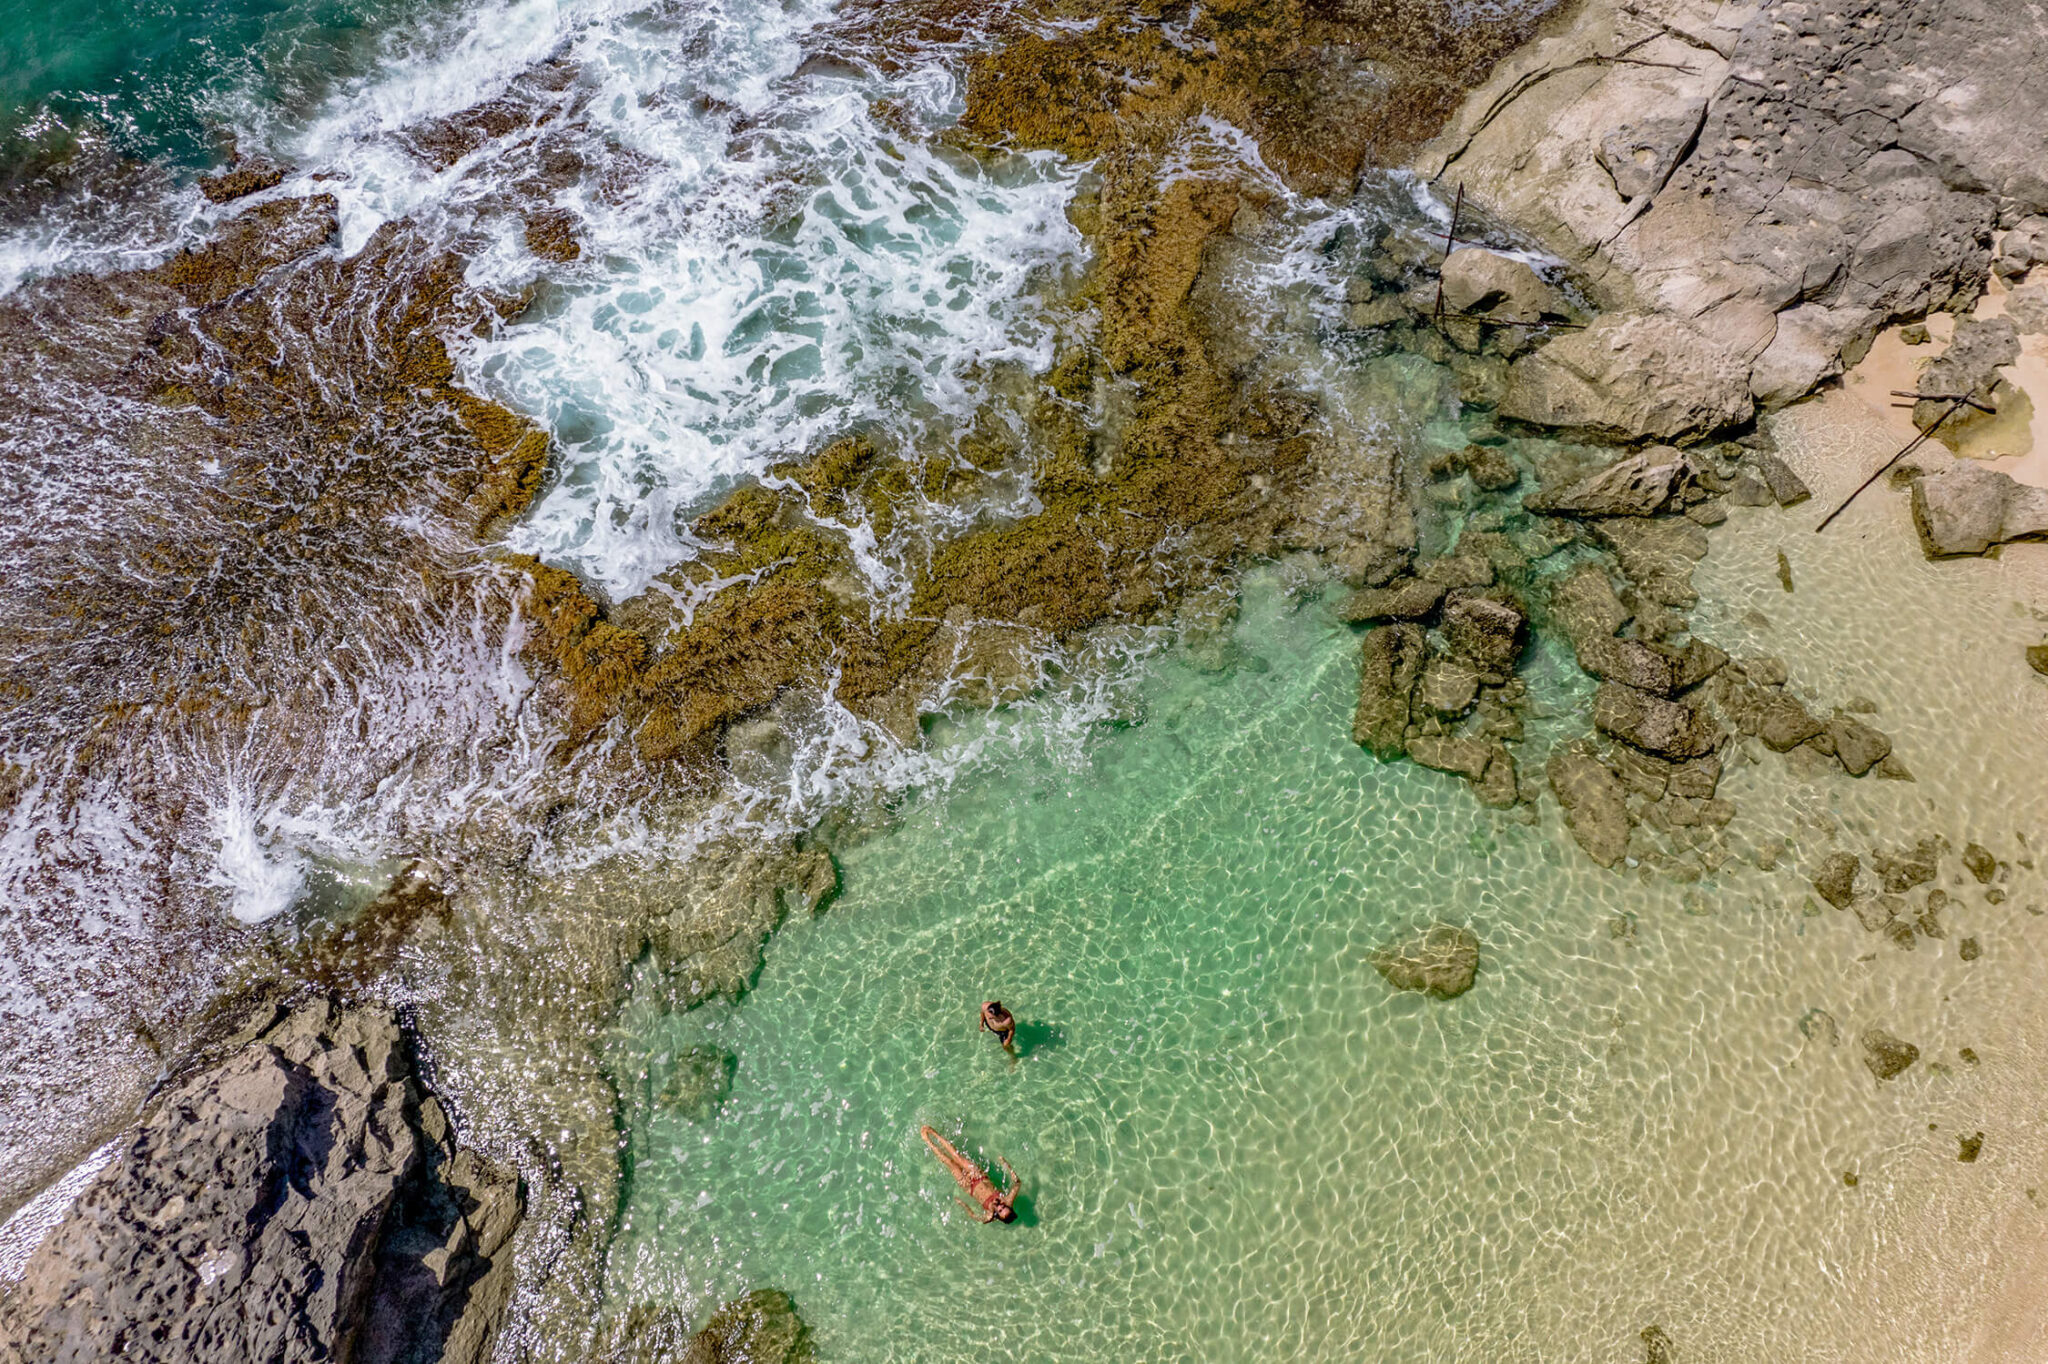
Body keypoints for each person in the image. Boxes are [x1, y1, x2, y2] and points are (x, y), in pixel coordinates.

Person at [921, 1125, 1018, 1224]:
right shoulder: (1007, 1200)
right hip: (979, 1176)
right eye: (1004, 1207)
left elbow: (973, 1216)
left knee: (950, 1163)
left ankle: (928, 1141)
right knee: (957, 1156)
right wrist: (1005, 1164)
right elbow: (1017, 1183)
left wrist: (962, 1204)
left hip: (968, 1187)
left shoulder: (989, 1215)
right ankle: (934, 1133)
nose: (1001, 1206)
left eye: (1000, 1210)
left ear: (997, 1215)